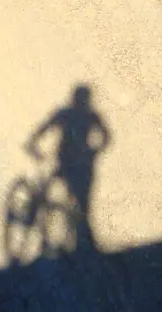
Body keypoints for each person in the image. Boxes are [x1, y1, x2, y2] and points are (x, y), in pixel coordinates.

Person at [26, 85, 110, 252]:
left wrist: (33, 145)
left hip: (70, 162)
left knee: (77, 202)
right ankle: (83, 243)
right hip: (80, 164)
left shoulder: (68, 113)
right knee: (81, 203)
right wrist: (95, 151)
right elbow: (107, 137)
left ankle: (79, 241)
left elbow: (43, 129)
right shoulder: (89, 115)